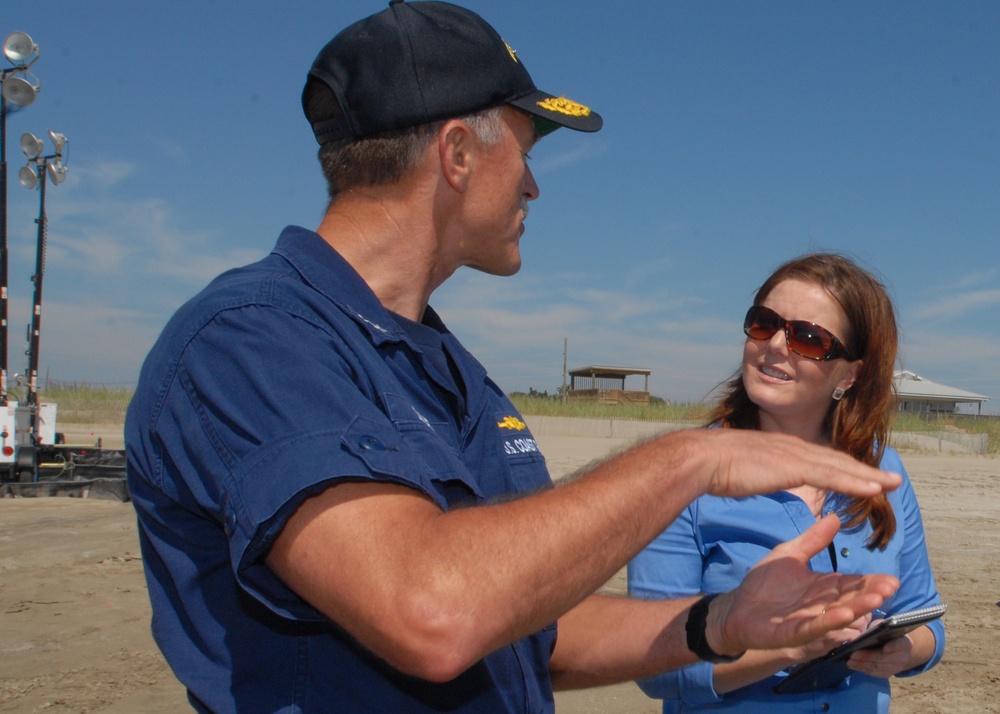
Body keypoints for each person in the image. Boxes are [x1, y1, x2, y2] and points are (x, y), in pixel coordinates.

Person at [125, 4, 904, 713]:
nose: (533, 185)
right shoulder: (250, 343)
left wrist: (720, 622)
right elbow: (432, 612)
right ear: (457, 153)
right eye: (525, 152)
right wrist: (689, 460)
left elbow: (533, 629)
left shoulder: (451, 371)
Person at [628, 253, 945, 713]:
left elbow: (927, 620)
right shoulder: (681, 472)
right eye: (764, 322)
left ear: (851, 373)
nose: (776, 344)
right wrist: (793, 648)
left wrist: (902, 649)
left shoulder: (883, 471)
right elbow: (655, 666)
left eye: (809, 338)